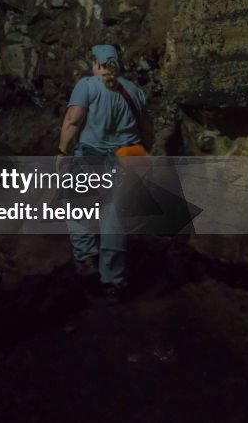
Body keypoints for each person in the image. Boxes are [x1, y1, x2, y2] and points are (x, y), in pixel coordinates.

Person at [57, 44, 148, 304]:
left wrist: (62, 151)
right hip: (126, 161)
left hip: (92, 158)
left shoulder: (87, 85)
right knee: (114, 220)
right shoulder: (134, 91)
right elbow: (146, 128)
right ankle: (113, 283)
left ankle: (86, 259)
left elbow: (73, 120)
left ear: (96, 63)